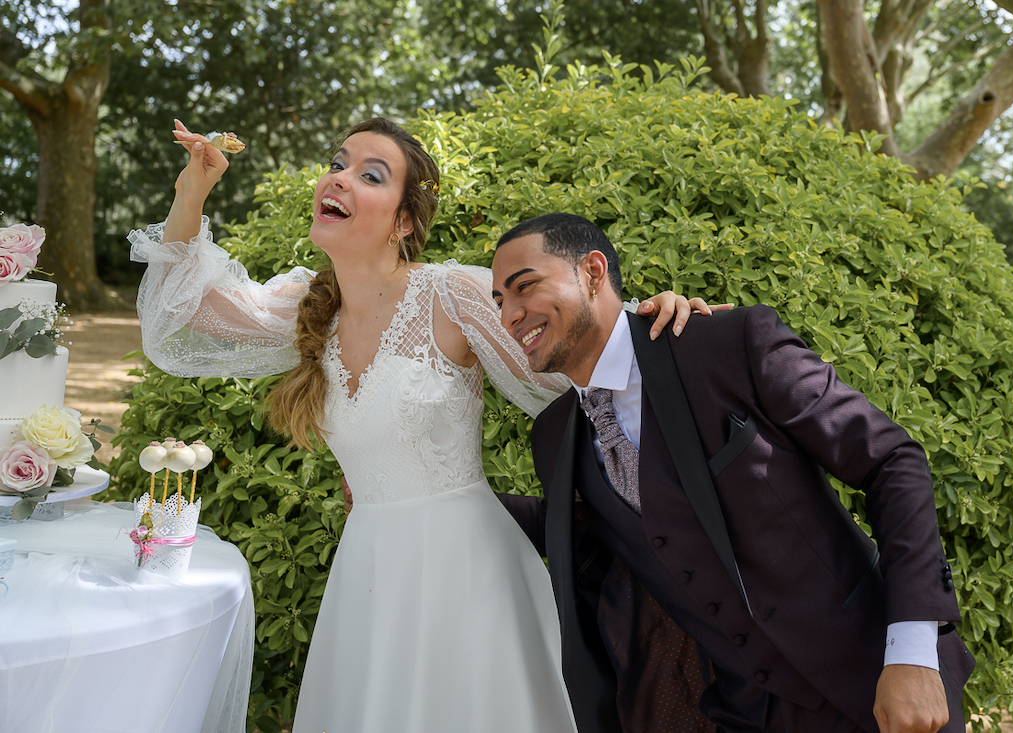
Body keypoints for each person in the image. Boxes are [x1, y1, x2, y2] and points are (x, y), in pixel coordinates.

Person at [130, 119, 710, 732]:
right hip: (369, 575)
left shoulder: (452, 294)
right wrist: (191, 190)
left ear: (404, 222)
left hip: (469, 572)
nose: (340, 177)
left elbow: (577, 367)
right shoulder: (309, 311)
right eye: (339, 163)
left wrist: (658, 326)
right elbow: (176, 314)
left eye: (370, 174)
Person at [490, 213, 976, 733]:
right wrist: (431, 496)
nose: (511, 315)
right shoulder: (553, 437)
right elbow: (583, 533)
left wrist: (913, 650)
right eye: (499, 302)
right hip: (743, 709)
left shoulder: (725, 344)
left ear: (591, 272)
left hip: (875, 679)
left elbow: (890, 461)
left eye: (525, 287)